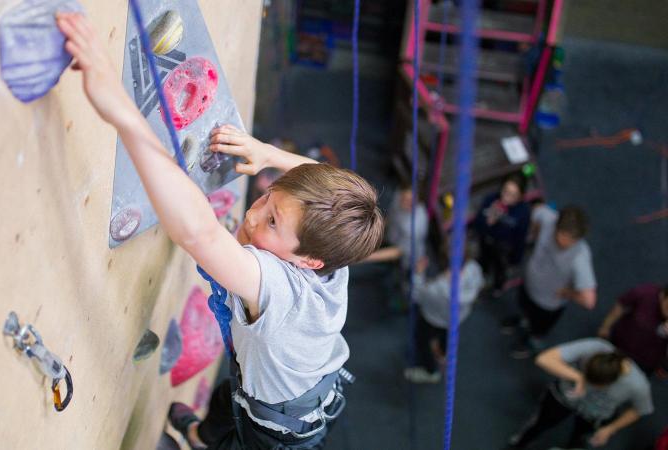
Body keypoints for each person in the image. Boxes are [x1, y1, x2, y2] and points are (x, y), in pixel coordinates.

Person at [55, 13, 384, 450]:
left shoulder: (280, 291)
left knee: (239, 427)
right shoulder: (332, 244)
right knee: (225, 397)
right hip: (308, 381)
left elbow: (200, 235)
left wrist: (122, 113)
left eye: (271, 223)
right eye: (269, 197)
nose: (253, 214)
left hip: (278, 436)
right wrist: (265, 154)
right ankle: (198, 435)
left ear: (308, 261)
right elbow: (325, 177)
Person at [507, 338, 653, 449]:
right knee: (540, 423)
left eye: (594, 384)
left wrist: (610, 429)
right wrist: (578, 377)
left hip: (595, 413)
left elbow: (639, 410)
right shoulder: (595, 347)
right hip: (564, 397)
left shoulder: (639, 385)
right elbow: (543, 359)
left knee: (580, 440)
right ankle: (519, 444)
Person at [506, 205, 597, 358]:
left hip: (548, 304)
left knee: (538, 328)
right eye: (563, 235)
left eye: (572, 239)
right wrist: (534, 233)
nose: (565, 242)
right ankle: (523, 321)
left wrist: (568, 293)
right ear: (556, 225)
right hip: (529, 283)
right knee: (524, 307)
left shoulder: (580, 257)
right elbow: (537, 211)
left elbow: (589, 301)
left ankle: (532, 343)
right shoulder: (548, 218)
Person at [403, 245, 483, 383]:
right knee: (446, 335)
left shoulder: (439, 288)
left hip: (432, 318)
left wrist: (418, 273)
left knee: (421, 340)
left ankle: (430, 372)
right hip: (456, 318)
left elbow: (416, 295)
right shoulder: (474, 269)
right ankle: (442, 353)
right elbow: (479, 284)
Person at [362, 181, 429, 310]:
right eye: (404, 198)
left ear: (419, 202)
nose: (404, 203)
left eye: (410, 202)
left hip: (408, 257)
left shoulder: (415, 226)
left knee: (406, 282)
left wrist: (363, 256)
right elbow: (391, 216)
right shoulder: (399, 196)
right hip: (393, 239)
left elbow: (398, 252)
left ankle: (405, 304)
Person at [474, 173, 530, 295]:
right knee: (483, 262)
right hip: (487, 241)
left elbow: (521, 237)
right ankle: (483, 276)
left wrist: (516, 258)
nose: (506, 197)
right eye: (505, 191)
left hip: (504, 249)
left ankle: (498, 287)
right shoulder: (491, 200)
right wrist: (488, 221)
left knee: (501, 270)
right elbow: (477, 225)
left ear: (520, 197)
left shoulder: (523, 212)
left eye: (512, 195)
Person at [598, 283, 668, 375]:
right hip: (621, 344)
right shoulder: (645, 293)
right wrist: (605, 326)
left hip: (647, 360)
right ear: (664, 295)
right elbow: (620, 307)